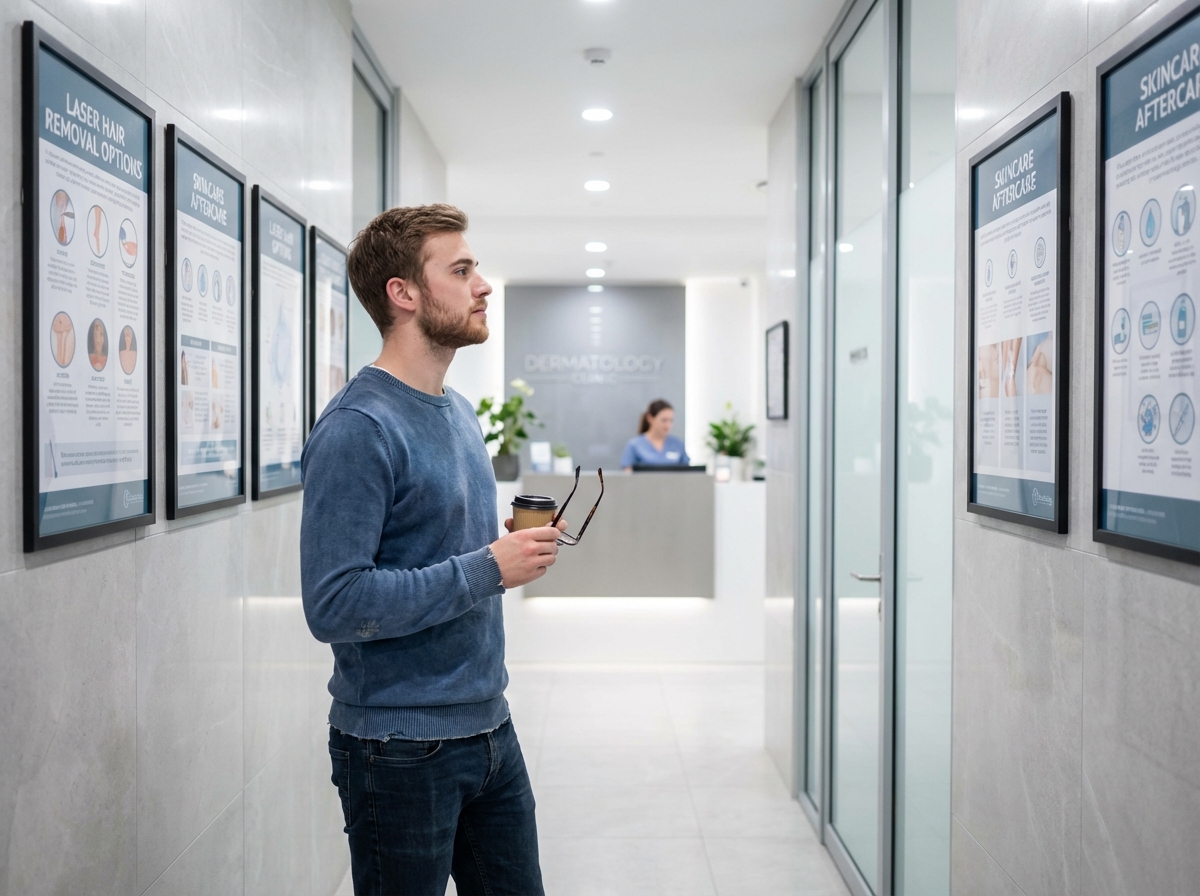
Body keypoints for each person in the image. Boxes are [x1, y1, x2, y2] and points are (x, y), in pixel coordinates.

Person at [301, 204, 561, 896]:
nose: (484, 286)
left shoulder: (458, 410)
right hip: (397, 749)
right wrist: (485, 569)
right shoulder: (358, 428)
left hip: (489, 729)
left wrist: (503, 550)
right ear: (403, 293)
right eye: (463, 270)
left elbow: (438, 552)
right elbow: (334, 603)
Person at [621, 398, 689, 470]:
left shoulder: (678, 444)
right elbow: (627, 475)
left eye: (671, 421)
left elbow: (687, 473)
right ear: (650, 418)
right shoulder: (634, 445)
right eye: (664, 420)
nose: (668, 425)